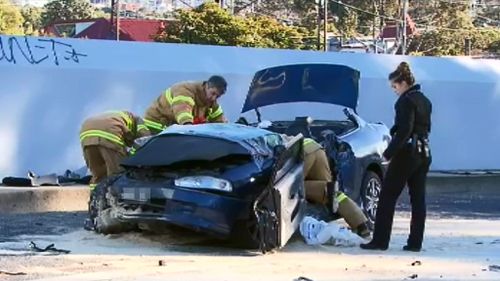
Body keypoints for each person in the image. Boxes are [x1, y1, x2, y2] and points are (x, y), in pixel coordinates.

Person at [360, 62, 432, 252]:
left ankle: (380, 241)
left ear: (403, 83)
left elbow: (405, 131)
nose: (394, 90)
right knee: (418, 199)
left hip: (407, 153)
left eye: (394, 86)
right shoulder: (424, 100)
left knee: (387, 197)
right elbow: (425, 128)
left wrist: (389, 153)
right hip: (424, 152)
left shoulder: (405, 100)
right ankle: (415, 243)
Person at [302, 137, 371, 238]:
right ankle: (361, 226)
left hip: (303, 152)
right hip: (315, 148)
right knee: (331, 195)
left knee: (291, 189)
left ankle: (326, 189)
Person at [80, 110, 151, 191]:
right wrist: (130, 156)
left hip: (86, 132)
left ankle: (95, 199)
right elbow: (144, 142)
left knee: (98, 175)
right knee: (118, 174)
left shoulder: (120, 116)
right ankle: (118, 201)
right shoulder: (140, 123)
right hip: (109, 131)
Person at [143, 76, 228, 134]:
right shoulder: (185, 89)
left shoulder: (211, 102)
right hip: (155, 125)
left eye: (217, 96)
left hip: (172, 128)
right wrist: (187, 126)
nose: (214, 98)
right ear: (206, 86)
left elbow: (219, 121)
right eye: (213, 93)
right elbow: (182, 110)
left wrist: (226, 130)